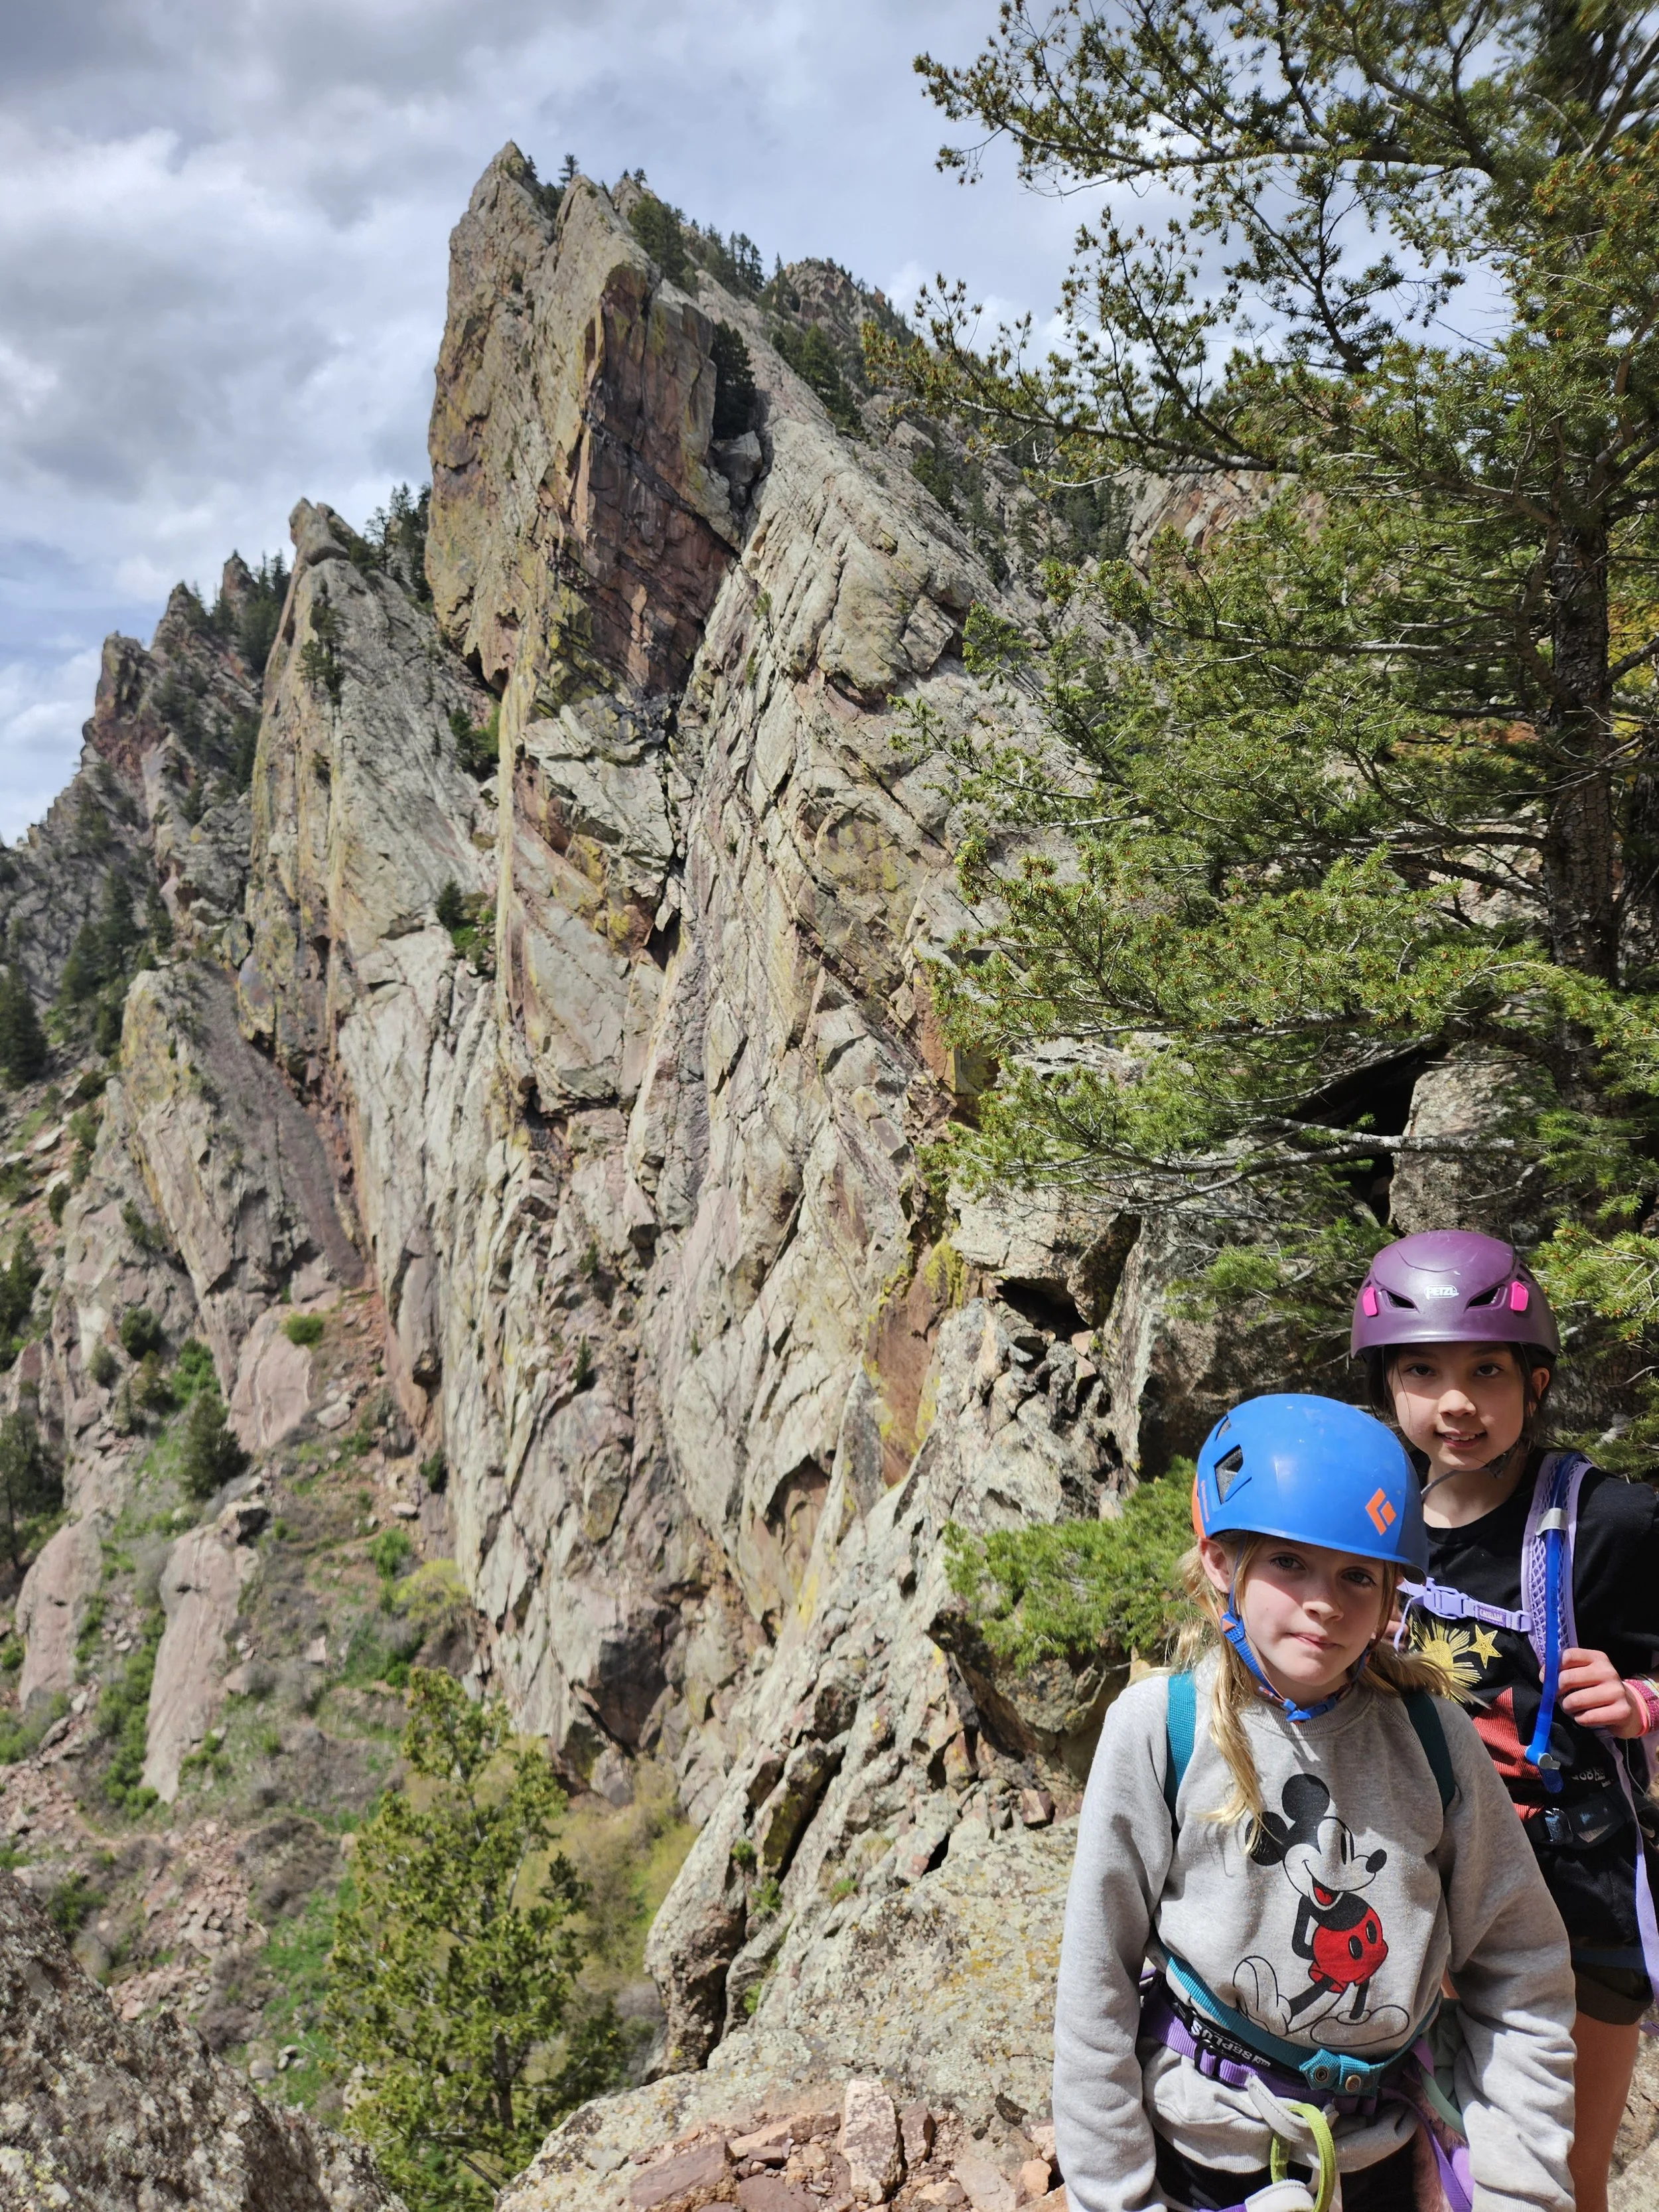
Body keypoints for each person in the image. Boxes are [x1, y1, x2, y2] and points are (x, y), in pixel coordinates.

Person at [1053, 1392, 1575, 2212]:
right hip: (1201, 2152)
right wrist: (1115, 2197)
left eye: (1357, 1575)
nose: (1325, 1602)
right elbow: (1096, 1985)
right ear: (1224, 1565)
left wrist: (1521, 2185)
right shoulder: (1161, 1730)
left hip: (1379, 2153)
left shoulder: (1432, 1739)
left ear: (1391, 1595)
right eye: (1289, 1563)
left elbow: (1520, 1967)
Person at [1354, 1228, 1659, 2212]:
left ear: (1535, 1380)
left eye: (1487, 1367)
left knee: (1558, 2181)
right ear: (1387, 1384)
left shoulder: (1607, 1521)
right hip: (1418, 1889)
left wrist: (1642, 1701)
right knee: (1428, 2169)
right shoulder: (1364, 1521)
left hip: (1573, 1893)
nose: (1456, 1400)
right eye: (1423, 1369)